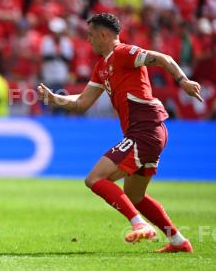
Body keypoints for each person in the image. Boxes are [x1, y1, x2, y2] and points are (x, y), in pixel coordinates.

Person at [37, 13, 202, 253]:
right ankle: (178, 241)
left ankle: (140, 225)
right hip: (146, 132)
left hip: (146, 130)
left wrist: (182, 81)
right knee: (134, 196)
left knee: (95, 178)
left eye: (91, 34)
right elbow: (82, 102)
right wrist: (56, 99)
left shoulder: (124, 53)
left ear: (104, 35)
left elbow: (162, 58)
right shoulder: (102, 66)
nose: (88, 39)